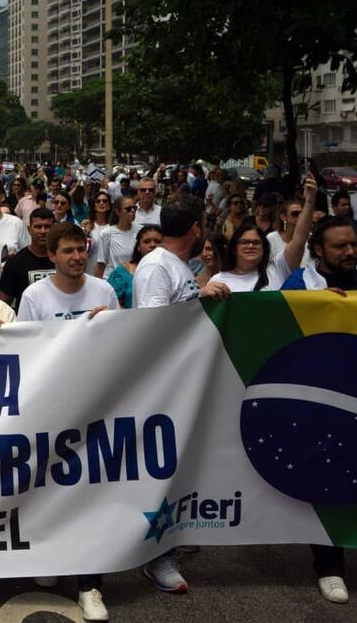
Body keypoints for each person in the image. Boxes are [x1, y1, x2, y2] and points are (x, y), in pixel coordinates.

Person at [280, 216, 357, 605]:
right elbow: (275, 325)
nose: (350, 252)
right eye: (340, 246)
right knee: (324, 478)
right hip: (319, 401)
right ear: (318, 250)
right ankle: (329, 566)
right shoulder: (299, 284)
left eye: (354, 244)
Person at [14, 222, 114, 622]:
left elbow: (121, 345)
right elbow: (21, 351)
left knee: (89, 495)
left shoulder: (104, 292)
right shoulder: (35, 295)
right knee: (48, 488)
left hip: (94, 407)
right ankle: (49, 557)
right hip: (50, 407)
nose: (76, 257)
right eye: (68, 251)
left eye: (81, 249)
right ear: (51, 254)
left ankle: (90, 585)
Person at [132, 197, 229, 595]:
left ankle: (171, 536)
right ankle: (155, 556)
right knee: (160, 470)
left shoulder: (176, 266)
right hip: (160, 385)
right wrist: (198, 298)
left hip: (181, 382)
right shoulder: (156, 265)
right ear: (195, 228)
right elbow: (154, 325)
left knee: (179, 466)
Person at [210, 176, 317, 292]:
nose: (251, 246)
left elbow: (299, 239)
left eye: (256, 243)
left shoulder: (277, 270)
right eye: (245, 242)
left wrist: (309, 201)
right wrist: (203, 294)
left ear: (264, 248)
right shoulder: (218, 281)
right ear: (234, 248)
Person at [0, 207, 56, 310]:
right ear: (29, 229)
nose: (43, 231)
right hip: (27, 324)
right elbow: (4, 305)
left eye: (47, 226)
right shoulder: (15, 263)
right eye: (38, 227)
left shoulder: (62, 260)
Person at [107, 225, 163, 309]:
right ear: (138, 247)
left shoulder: (172, 270)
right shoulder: (122, 272)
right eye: (147, 241)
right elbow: (110, 303)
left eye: (157, 241)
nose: (152, 245)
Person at [93, 196, 137, 279]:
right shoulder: (107, 233)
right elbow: (101, 264)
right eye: (128, 209)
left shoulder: (140, 231)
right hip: (113, 282)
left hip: (132, 282)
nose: (133, 211)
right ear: (118, 212)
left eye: (134, 208)